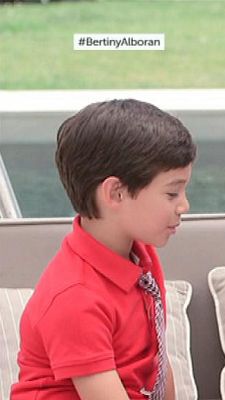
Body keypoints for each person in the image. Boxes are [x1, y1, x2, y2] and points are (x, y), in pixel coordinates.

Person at [11, 99, 196, 400]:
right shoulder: (75, 296)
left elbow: (156, 360)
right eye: (172, 192)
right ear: (116, 193)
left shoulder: (142, 257)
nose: (184, 205)